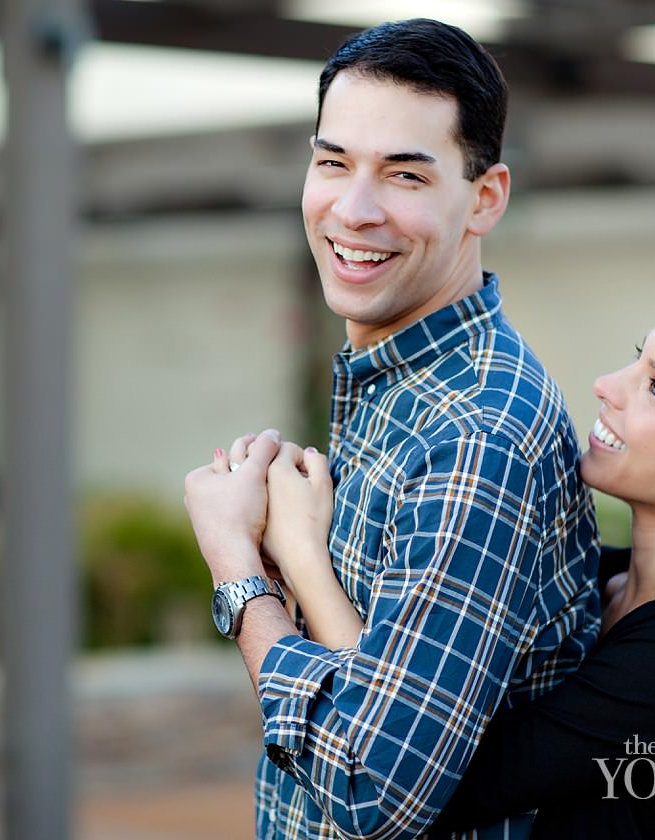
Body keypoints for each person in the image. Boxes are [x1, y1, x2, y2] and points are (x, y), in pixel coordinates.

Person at [183, 18, 599, 840]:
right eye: (332, 162)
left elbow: (373, 789)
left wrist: (239, 572)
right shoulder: (402, 385)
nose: (353, 208)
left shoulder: (477, 434)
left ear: (486, 199)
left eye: (405, 176)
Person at [259, 284, 655, 839]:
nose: (608, 385)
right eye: (638, 358)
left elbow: (417, 779)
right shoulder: (598, 576)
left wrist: (301, 560)